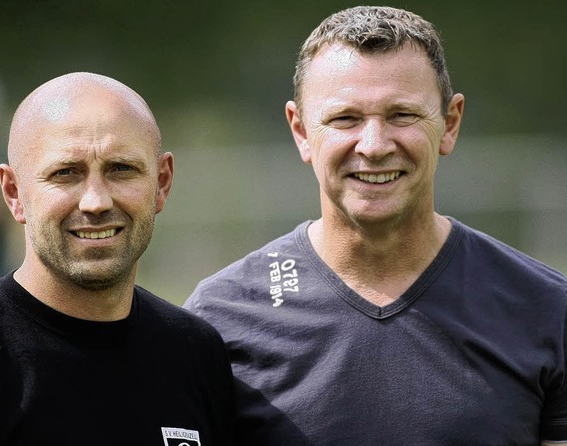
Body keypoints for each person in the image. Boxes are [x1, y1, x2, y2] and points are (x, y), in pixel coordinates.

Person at [184, 6, 567, 445]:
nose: (374, 145)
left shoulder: (545, 309)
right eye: (345, 119)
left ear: (450, 124)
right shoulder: (221, 318)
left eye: (402, 115)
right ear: (301, 131)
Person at [0, 72, 236, 445]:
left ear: (162, 182)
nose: (96, 201)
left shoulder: (198, 354)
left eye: (121, 169)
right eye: (66, 173)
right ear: (13, 192)